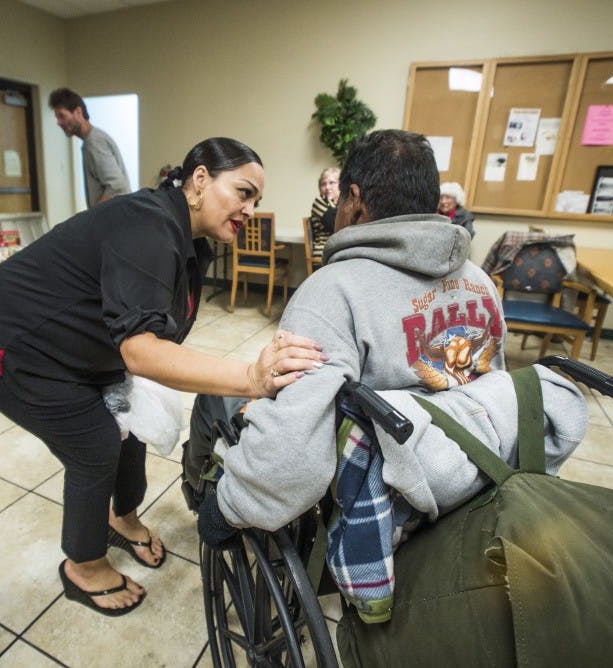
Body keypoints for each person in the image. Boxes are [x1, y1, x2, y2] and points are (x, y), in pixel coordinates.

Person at [0, 137, 327, 617]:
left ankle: (122, 519)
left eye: (257, 201)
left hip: (71, 346)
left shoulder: (189, 237)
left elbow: (153, 335)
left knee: (130, 426)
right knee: (95, 444)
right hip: (9, 343)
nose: (250, 209)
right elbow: (142, 352)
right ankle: (82, 566)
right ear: (200, 179)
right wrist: (252, 376)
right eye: (244, 192)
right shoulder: (147, 226)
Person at [198, 130, 509, 543]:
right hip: (471, 473)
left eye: (341, 196)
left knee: (212, 398)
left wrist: (228, 507)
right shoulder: (480, 283)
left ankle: (197, 491)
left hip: (384, 493)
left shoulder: (333, 290)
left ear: (355, 199)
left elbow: (294, 460)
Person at [49, 87, 131, 208]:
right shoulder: (91, 141)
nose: (59, 122)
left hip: (115, 222)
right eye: (57, 117)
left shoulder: (94, 142)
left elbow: (117, 186)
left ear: (78, 112)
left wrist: (92, 217)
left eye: (62, 116)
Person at [307, 167, 340, 263]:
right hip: (324, 253)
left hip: (337, 252)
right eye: (323, 184)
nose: (327, 187)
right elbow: (336, 226)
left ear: (340, 185)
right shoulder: (319, 202)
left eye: (332, 183)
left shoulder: (343, 204)